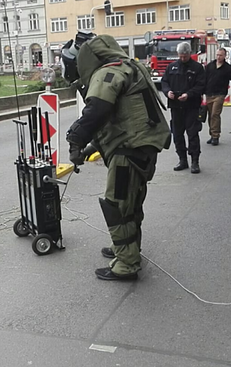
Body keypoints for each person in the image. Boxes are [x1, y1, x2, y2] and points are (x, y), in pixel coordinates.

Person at [61, 32, 171, 281]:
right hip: (140, 146)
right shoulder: (126, 67)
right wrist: (92, 148)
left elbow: (97, 111)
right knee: (130, 203)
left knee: (118, 206)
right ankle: (127, 247)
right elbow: (122, 116)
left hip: (129, 149)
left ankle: (127, 263)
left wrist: (75, 139)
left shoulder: (107, 73)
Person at [160, 42, 206, 173]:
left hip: (191, 106)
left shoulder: (197, 68)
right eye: (180, 56)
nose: (182, 58)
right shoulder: (172, 67)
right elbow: (164, 82)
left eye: (184, 56)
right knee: (177, 134)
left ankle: (195, 161)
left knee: (192, 134)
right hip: (176, 106)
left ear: (189, 54)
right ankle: (182, 159)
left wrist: (188, 94)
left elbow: (201, 85)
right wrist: (167, 92)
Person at [204, 48, 231, 146]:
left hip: (220, 94)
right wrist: (201, 92)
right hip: (209, 94)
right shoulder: (210, 66)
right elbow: (203, 79)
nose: (218, 57)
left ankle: (215, 136)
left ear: (225, 56)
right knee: (210, 115)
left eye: (220, 55)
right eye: (217, 55)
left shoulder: (228, 68)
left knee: (215, 114)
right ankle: (212, 134)